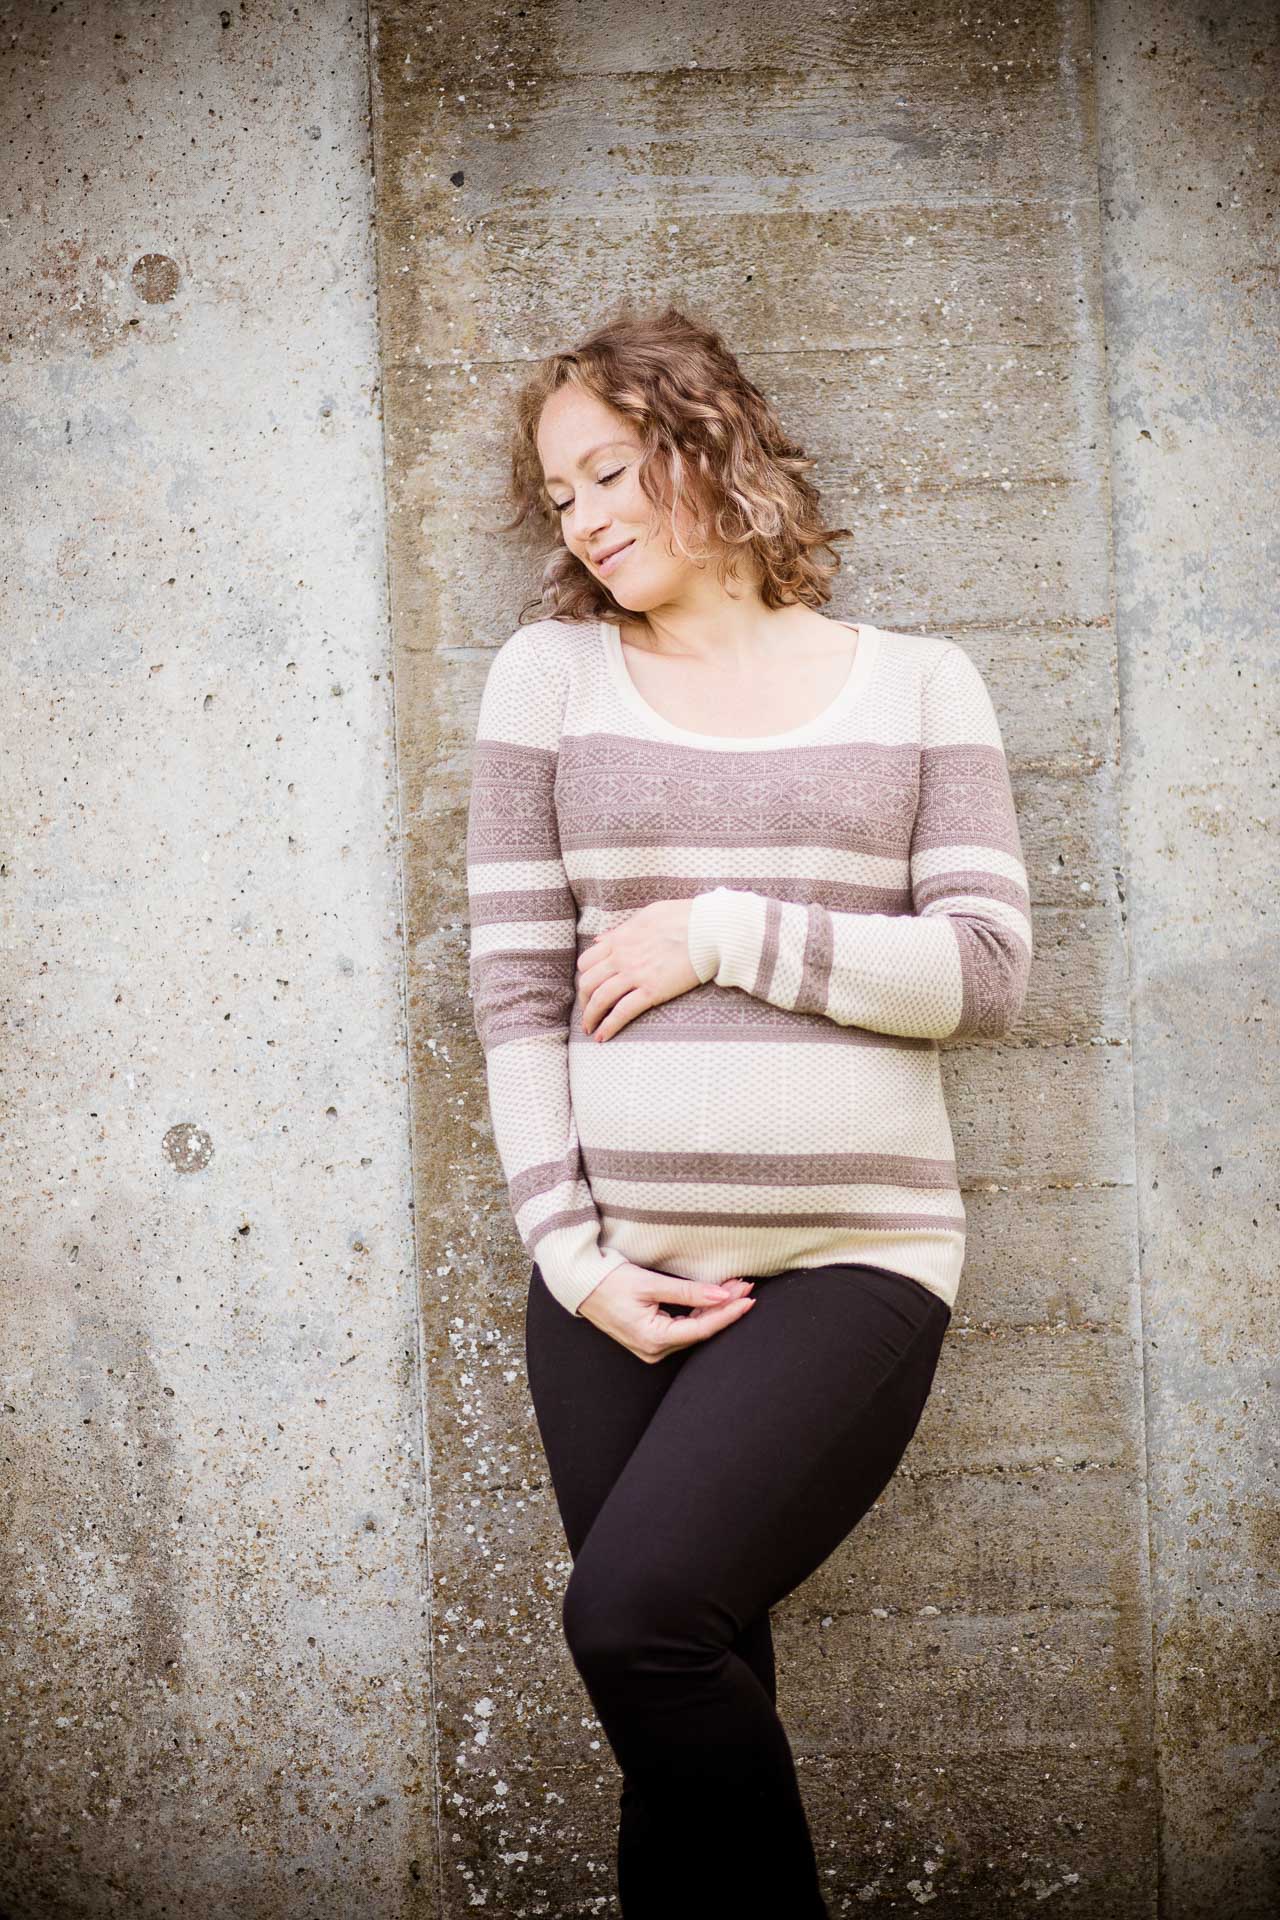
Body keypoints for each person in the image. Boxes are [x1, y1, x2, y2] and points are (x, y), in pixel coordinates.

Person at [465, 303, 1033, 1917]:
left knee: (634, 1621)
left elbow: (988, 974)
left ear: (702, 442)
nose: (580, 516)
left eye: (605, 470)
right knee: (691, 1696)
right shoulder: (549, 678)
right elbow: (513, 995)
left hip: (857, 1258)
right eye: (557, 493)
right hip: (612, 1283)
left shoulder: (920, 684)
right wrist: (572, 1261)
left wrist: (726, 932)